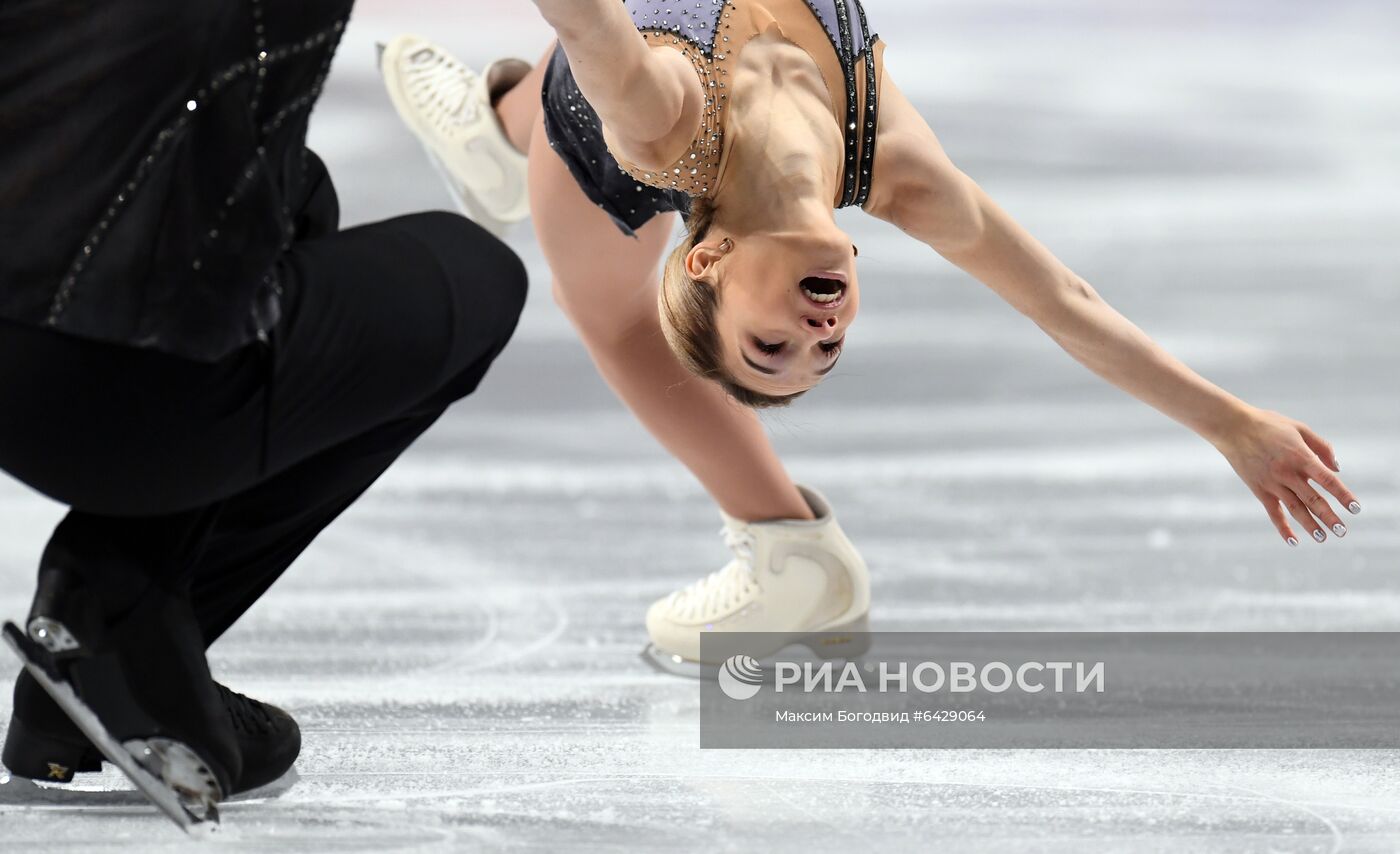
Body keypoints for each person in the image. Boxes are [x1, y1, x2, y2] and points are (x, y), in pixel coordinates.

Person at [379, 0, 1364, 675]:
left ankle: (501, 134)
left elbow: (583, 16)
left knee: (601, 288)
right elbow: (1062, 299)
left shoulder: (657, 126)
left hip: (591, 154)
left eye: (773, 348)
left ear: (711, 264)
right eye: (828, 350)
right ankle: (787, 547)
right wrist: (1231, 423)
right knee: (596, 278)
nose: (817, 333)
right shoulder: (896, 171)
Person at [0, 0, 527, 820]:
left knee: (294, 193)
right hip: (92, 382)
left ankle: (82, 672)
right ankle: (117, 613)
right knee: (480, 280)